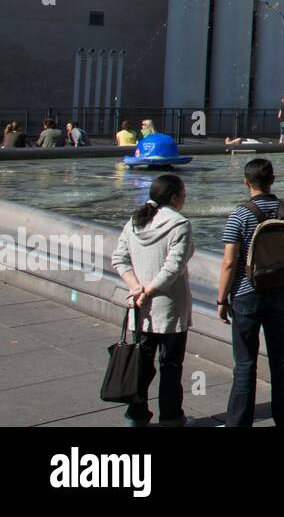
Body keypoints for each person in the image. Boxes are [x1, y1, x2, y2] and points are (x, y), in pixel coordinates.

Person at [217, 158, 284, 427]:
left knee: (244, 363)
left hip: (246, 295)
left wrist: (222, 299)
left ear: (246, 182)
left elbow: (230, 262)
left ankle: (238, 422)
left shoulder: (239, 214)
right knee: (280, 359)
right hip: (280, 293)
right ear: (273, 180)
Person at [111, 174, 194, 427]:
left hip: (139, 308)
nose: (185, 197)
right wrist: (149, 290)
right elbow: (173, 268)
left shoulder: (135, 221)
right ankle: (171, 419)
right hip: (170, 308)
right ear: (174, 197)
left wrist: (136, 288)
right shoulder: (180, 224)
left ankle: (135, 419)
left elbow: (119, 258)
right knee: (171, 366)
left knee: (140, 368)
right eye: (183, 193)